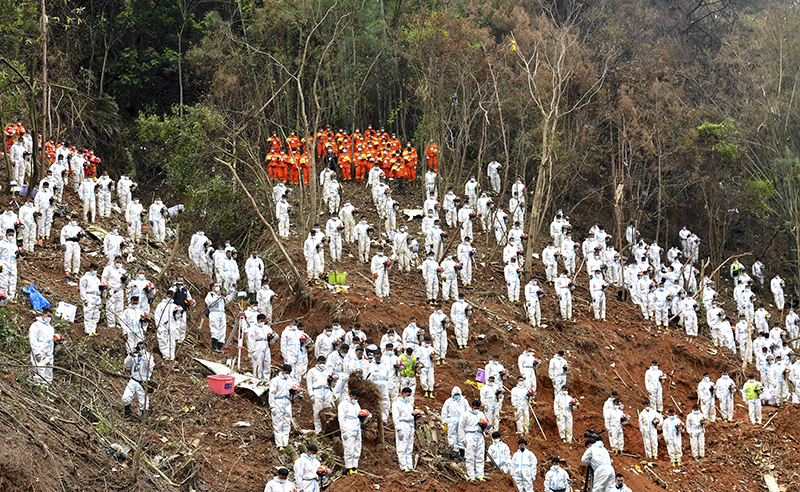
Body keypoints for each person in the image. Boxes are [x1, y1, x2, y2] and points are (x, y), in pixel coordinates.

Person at [122, 341, 155, 419]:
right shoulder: (135, 356)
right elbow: (126, 364)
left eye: (142, 347)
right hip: (133, 380)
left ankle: (144, 418)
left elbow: (149, 365)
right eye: (139, 347)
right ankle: (128, 413)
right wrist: (130, 354)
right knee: (125, 398)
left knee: (143, 403)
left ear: (146, 348)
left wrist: (143, 354)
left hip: (143, 382)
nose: (140, 349)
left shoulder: (149, 356)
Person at [459, 399, 488, 482]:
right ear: (471, 407)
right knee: (470, 456)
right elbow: (461, 427)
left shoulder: (481, 414)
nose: (477, 410)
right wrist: (463, 439)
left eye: (478, 408)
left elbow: (485, 424)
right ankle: (471, 475)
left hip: (479, 435)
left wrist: (486, 428)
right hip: (470, 435)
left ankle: (480, 475)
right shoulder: (465, 415)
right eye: (475, 408)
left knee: (480, 455)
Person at [338, 389, 365, 475]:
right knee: (349, 449)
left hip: (357, 427)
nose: (356, 400)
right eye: (355, 398)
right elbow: (341, 419)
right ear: (351, 396)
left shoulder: (356, 404)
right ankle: (349, 467)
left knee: (357, 448)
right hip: (348, 428)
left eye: (357, 398)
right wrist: (344, 431)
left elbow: (359, 415)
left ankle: (355, 467)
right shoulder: (343, 404)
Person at [269, 364, 293, 450]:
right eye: (286, 372)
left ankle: (285, 442)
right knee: (278, 423)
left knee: (287, 422)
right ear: (282, 371)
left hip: (287, 401)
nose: (288, 374)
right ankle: (279, 444)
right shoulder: (275, 380)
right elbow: (271, 394)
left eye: (289, 373)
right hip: (278, 401)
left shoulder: (290, 380)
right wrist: (272, 406)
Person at [205, 283, 235, 353]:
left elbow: (228, 299)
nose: (218, 287)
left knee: (222, 330)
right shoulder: (210, 295)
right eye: (216, 286)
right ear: (212, 287)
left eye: (218, 286)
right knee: (215, 328)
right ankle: (214, 346)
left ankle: (220, 347)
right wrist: (217, 296)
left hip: (222, 313)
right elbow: (210, 303)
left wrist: (234, 292)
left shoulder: (221, 296)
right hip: (214, 312)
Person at [29, 308, 55, 387]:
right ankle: (37, 390)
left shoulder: (50, 328)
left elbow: (50, 341)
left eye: (50, 316)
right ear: (43, 314)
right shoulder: (36, 325)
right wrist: (36, 353)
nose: (49, 318)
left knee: (48, 374)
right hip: (40, 353)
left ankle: (45, 391)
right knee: (39, 373)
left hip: (49, 355)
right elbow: (32, 340)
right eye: (48, 316)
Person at [392, 387, 416, 472]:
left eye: (410, 395)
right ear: (403, 394)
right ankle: (403, 466)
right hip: (402, 425)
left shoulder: (409, 404)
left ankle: (410, 466)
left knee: (409, 447)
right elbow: (395, 417)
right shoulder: (397, 404)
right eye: (407, 395)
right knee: (401, 446)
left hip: (410, 425)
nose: (408, 397)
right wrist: (398, 429)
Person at [441, 387, 468, 459]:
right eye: (455, 394)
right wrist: (445, 423)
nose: (457, 395)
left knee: (461, 436)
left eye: (458, 394)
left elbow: (468, 411)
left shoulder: (464, 401)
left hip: (462, 421)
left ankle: (462, 452)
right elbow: (444, 412)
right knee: (452, 436)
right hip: (452, 422)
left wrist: (467, 421)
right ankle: (453, 451)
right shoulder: (448, 402)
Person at [79, 263, 102, 336]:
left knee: (96, 314)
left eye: (96, 270)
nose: (95, 271)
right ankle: (88, 330)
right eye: (94, 269)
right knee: (88, 312)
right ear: (90, 269)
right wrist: (84, 299)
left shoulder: (97, 279)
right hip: (89, 296)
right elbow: (82, 289)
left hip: (97, 297)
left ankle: (93, 330)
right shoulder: (85, 278)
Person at [60, 214, 84, 284]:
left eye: (76, 220)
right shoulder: (66, 227)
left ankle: (75, 271)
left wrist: (81, 236)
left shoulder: (79, 228)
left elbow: (83, 237)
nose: (74, 221)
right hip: (69, 242)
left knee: (77, 258)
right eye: (73, 219)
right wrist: (63, 244)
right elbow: (62, 236)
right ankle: (67, 270)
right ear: (71, 219)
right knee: (68, 257)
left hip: (76, 243)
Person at [0, 229, 18, 299]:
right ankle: (4, 297)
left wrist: (21, 255)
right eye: (9, 235)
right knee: (3, 281)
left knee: (13, 281)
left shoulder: (14, 245)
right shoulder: (1, 244)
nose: (11, 236)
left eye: (12, 235)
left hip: (13, 265)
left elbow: (18, 257)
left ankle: (11, 297)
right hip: (4, 265)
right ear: (6, 235)